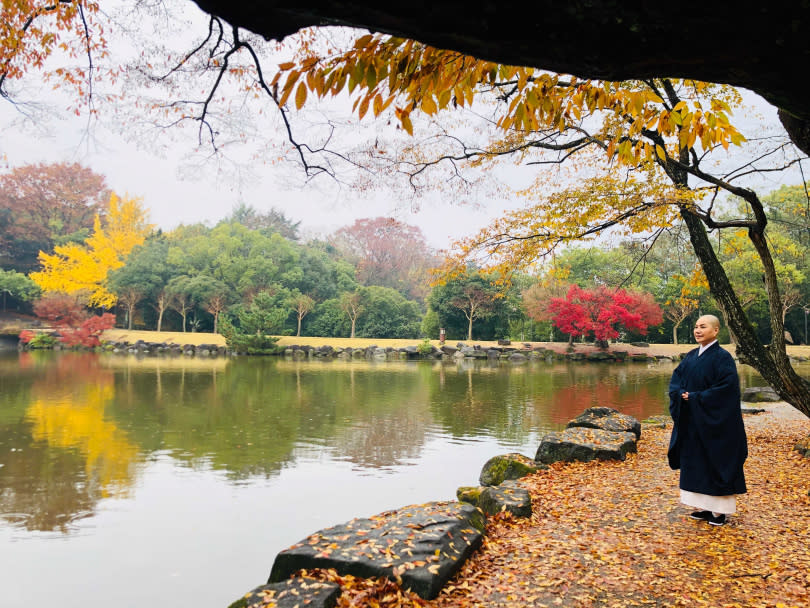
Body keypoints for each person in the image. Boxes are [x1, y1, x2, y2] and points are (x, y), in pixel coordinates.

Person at [667, 314, 748, 527]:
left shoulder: (723, 358)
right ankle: (703, 507)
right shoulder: (692, 356)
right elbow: (676, 381)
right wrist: (680, 394)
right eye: (695, 326)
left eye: (703, 326)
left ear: (715, 330)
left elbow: (727, 390)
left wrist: (696, 397)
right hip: (694, 421)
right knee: (696, 463)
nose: (697, 330)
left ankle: (719, 512)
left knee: (716, 462)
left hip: (716, 423)